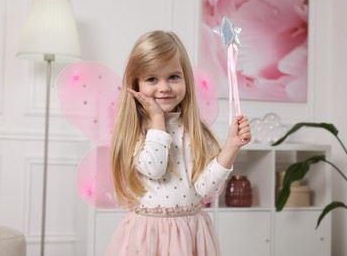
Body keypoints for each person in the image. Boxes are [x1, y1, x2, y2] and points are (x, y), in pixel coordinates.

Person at [106, 30, 251, 256]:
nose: (164, 87)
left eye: (173, 77)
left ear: (186, 80)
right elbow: (155, 168)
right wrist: (157, 119)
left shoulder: (195, 131)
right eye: (152, 79)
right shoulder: (134, 131)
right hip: (148, 235)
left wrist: (231, 146)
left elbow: (206, 189)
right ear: (136, 84)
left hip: (190, 232)